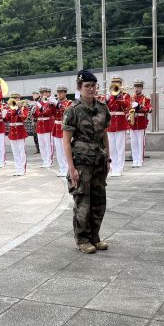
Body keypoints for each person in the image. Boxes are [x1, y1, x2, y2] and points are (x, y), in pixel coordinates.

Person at [62, 69, 110, 254]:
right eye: (87, 86)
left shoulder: (102, 108)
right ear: (80, 88)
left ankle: (94, 237)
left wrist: (108, 158)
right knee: (83, 202)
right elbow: (66, 140)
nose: (91, 89)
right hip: (81, 162)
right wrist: (71, 167)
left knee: (99, 201)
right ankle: (82, 239)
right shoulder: (73, 110)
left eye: (93, 86)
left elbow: (105, 135)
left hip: (98, 160)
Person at [105, 74, 131, 177]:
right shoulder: (108, 95)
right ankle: (113, 168)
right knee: (111, 148)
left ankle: (119, 169)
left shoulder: (125, 95)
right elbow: (103, 107)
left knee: (120, 147)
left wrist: (118, 97)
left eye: (118, 82)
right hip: (110, 124)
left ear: (121, 84)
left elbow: (127, 105)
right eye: (113, 82)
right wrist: (107, 99)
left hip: (120, 123)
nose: (115, 84)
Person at [4, 91, 29, 176]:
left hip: (20, 130)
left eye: (16, 98)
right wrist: (7, 111)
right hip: (12, 131)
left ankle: (22, 169)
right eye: (13, 98)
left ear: (19, 98)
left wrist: (18, 111)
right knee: (15, 152)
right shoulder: (9, 108)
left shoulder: (23, 107)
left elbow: (24, 118)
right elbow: (6, 119)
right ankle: (18, 168)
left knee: (21, 151)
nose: (15, 100)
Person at [130, 78, 152, 167]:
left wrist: (139, 106)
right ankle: (134, 160)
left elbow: (149, 109)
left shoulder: (145, 98)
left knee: (140, 142)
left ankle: (140, 160)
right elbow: (127, 109)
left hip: (141, 122)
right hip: (132, 122)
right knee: (133, 143)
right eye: (135, 87)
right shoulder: (131, 98)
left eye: (138, 87)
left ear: (142, 88)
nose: (137, 89)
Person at [52, 84, 72, 177]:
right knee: (59, 151)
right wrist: (47, 105)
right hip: (56, 127)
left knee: (66, 150)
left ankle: (68, 169)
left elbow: (67, 111)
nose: (59, 94)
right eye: (58, 92)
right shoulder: (55, 103)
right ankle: (62, 168)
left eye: (61, 92)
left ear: (65, 93)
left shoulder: (69, 102)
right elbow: (49, 113)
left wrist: (57, 104)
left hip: (64, 128)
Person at [33, 85, 55, 168]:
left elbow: (48, 112)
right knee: (41, 144)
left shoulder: (50, 102)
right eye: (41, 92)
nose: (42, 94)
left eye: (44, 92)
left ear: (47, 93)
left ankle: (49, 160)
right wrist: (34, 110)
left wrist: (41, 108)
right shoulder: (40, 102)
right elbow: (37, 115)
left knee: (48, 144)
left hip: (47, 125)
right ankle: (44, 160)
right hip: (40, 125)